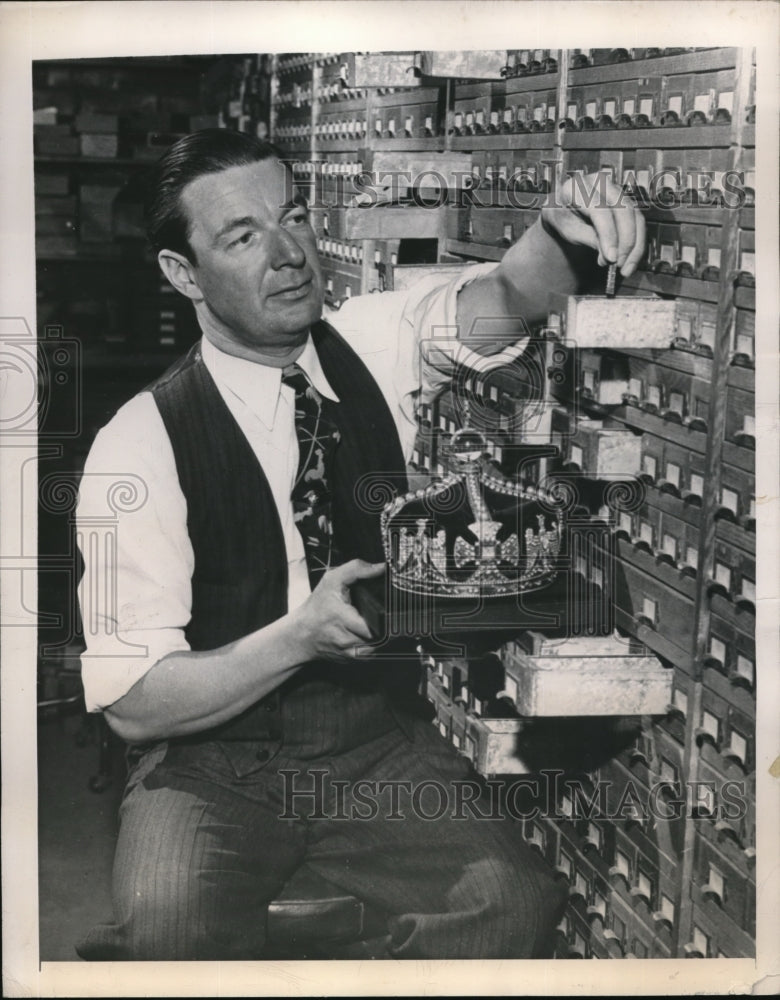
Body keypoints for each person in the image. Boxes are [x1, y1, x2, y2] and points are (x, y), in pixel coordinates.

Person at [75, 129, 645, 960]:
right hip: (210, 768)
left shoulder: (373, 343)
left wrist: (565, 226)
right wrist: (299, 634)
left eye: (294, 216)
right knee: (168, 928)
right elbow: (134, 704)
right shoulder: (140, 443)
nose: (288, 254)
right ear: (181, 275)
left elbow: (513, 294)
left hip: (376, 742)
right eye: (242, 237)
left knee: (512, 903)